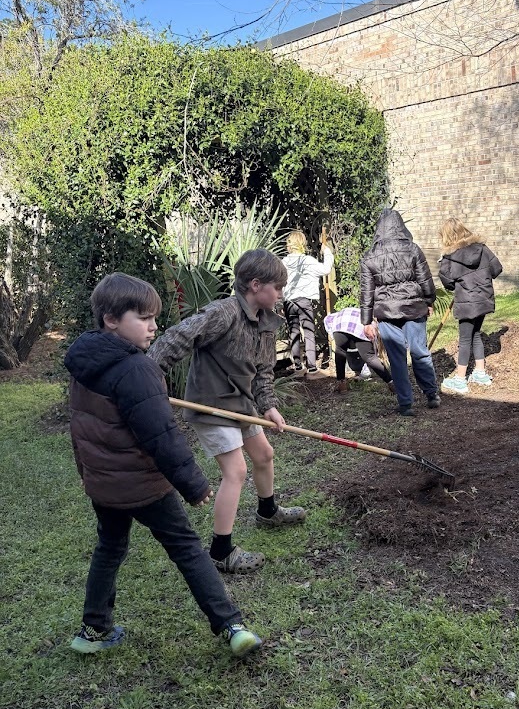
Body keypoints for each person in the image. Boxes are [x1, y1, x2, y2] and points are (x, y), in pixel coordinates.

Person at [65, 272, 261, 659]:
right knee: (187, 548)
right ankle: (230, 625)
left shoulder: (83, 362)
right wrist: (193, 484)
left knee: (109, 547)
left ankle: (92, 630)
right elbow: (161, 435)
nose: (154, 326)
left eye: (154, 317)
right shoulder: (136, 369)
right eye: (143, 318)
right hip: (142, 486)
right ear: (111, 319)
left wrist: (88, 475)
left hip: (104, 484)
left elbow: (82, 429)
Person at [148, 249, 307, 575]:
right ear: (255, 284)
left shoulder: (266, 322)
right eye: (277, 287)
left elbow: (263, 372)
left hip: (240, 405)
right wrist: (150, 376)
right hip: (210, 406)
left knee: (264, 454)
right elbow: (176, 338)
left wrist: (269, 406)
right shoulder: (222, 313)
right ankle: (221, 551)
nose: (281, 294)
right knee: (236, 471)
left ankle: (267, 511)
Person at [360, 208, 440, 416]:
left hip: (386, 313)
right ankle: (431, 394)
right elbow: (425, 279)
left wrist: (366, 321)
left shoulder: (370, 255)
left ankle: (405, 403)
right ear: (401, 226)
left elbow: (366, 291)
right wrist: (429, 300)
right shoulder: (413, 249)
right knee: (419, 351)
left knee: (396, 358)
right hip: (414, 309)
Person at [438, 219, 503, 392]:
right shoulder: (482, 249)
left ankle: (460, 380)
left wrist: (459, 282)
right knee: (476, 334)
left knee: (465, 339)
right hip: (483, 300)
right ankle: (480, 373)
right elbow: (497, 269)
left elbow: (447, 282)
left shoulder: (449, 257)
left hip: (466, 303)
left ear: (447, 237)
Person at [282, 230, 334, 375]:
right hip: (304, 301)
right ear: (302, 244)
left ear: (289, 245)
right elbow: (326, 269)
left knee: (294, 333)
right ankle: (312, 368)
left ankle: (298, 367)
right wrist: (327, 252)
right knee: (309, 333)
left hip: (289, 301)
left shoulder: (283, 263)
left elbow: (278, 283)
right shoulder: (308, 261)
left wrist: (280, 302)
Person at [323, 306, 395, 394]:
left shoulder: (334, 318)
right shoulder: (367, 315)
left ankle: (342, 385)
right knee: (370, 357)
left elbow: (331, 330)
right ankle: (391, 383)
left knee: (340, 352)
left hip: (341, 325)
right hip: (361, 325)